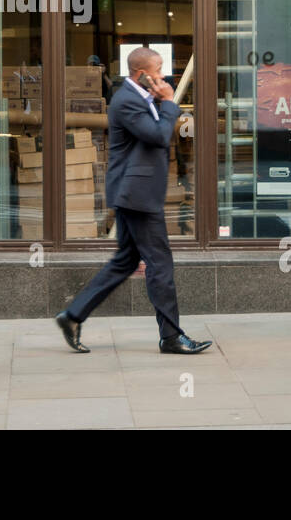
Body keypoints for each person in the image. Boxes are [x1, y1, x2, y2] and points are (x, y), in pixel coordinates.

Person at [55, 46, 213, 355]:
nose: (163, 75)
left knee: (125, 261)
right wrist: (169, 102)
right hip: (136, 196)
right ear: (141, 75)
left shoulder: (138, 97)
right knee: (160, 264)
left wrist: (159, 101)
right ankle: (171, 337)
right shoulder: (126, 101)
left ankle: (73, 316)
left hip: (135, 192)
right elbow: (156, 135)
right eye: (158, 71)